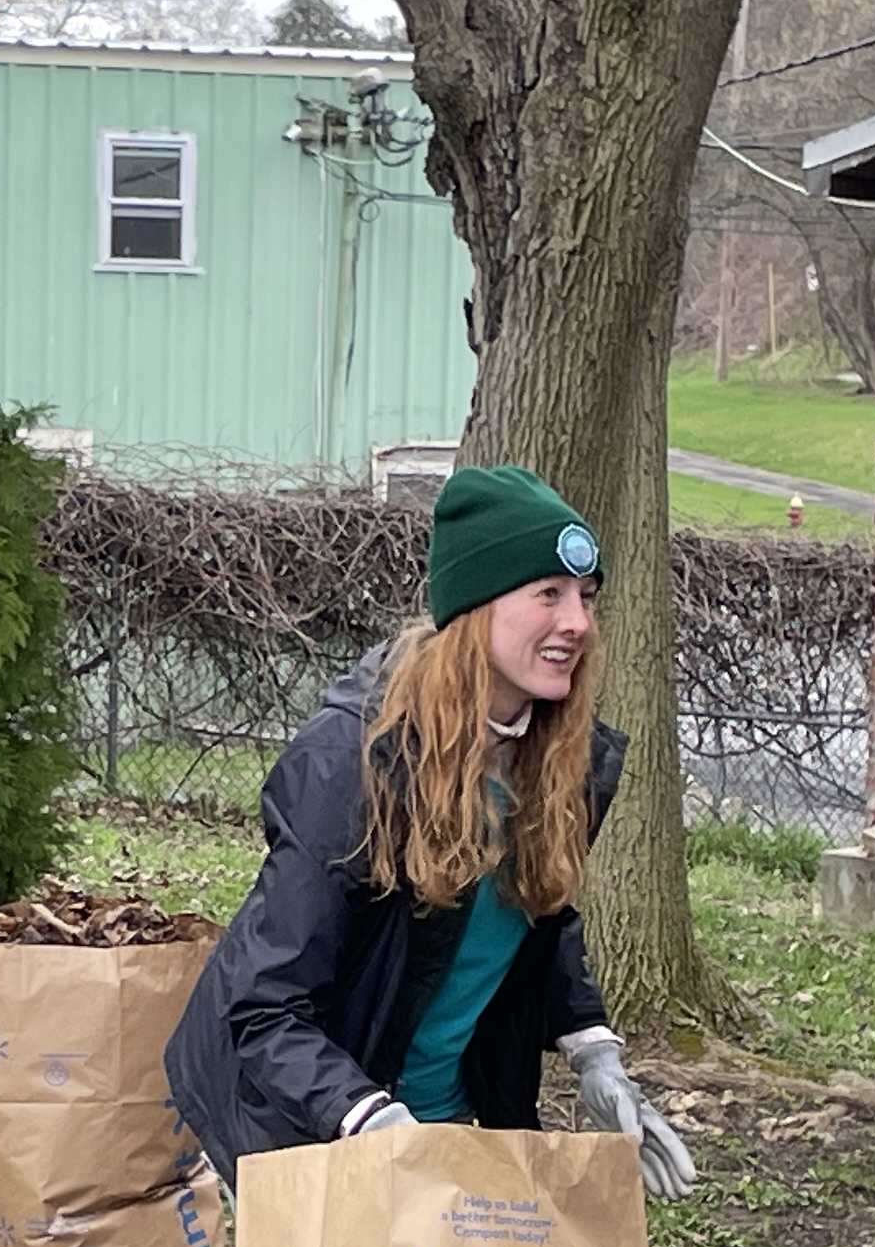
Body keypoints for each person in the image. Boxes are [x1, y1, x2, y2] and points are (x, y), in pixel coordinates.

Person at [164, 462, 697, 1193]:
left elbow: (535, 913)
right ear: (476, 608)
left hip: (451, 1127)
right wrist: (374, 1123)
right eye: (548, 593)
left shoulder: (564, 762)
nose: (577, 622)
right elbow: (263, 1008)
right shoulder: (353, 762)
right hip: (314, 1127)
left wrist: (594, 1053)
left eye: (586, 596)